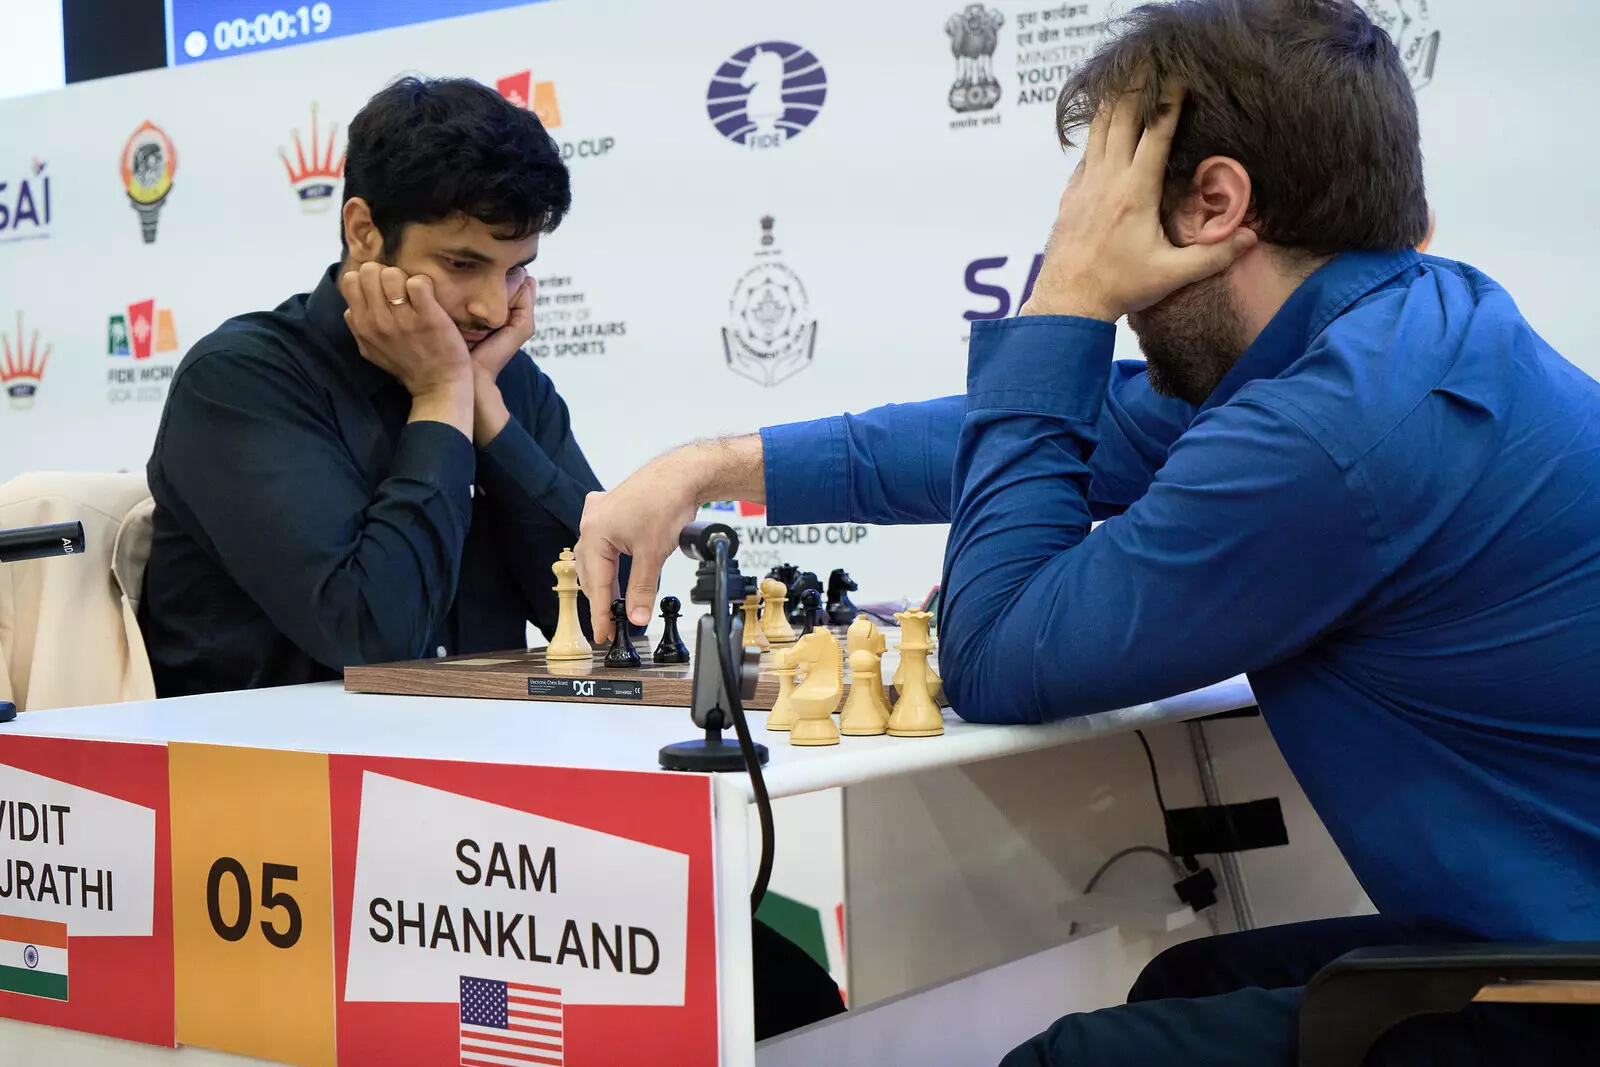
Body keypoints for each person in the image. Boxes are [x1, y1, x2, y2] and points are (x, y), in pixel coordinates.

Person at [574, 1, 1600, 1063]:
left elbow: (992, 649)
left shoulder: (1331, 434)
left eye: (1093, 211)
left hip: (1563, 985)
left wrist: (1065, 297)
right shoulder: (1397, 330)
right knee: (1180, 976)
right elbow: (1084, 423)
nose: (1079, 242)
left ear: (1211, 202)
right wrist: (712, 465)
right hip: (1539, 929)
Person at [141, 76, 604, 696]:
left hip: (479, 763)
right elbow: (376, 641)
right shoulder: (240, 380)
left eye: (516, 269)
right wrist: (442, 400)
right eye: (462, 265)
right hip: (275, 774)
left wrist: (489, 419)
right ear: (364, 231)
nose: (495, 310)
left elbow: (613, 610)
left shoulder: (500, 378)